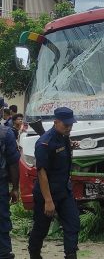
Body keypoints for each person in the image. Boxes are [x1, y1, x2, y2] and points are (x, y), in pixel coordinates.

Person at [28, 107, 80, 259]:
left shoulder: (64, 136)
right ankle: (34, 253)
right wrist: (49, 201)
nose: (69, 127)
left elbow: (62, 152)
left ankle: (70, 255)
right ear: (56, 122)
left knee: (73, 224)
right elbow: (41, 173)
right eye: (66, 125)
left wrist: (71, 146)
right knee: (41, 228)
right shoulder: (44, 143)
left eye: (71, 124)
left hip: (64, 191)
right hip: (47, 194)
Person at [0, 98, 21, 259]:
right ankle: (4, 253)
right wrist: (15, 188)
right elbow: (14, 163)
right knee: (1, 218)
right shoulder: (5, 133)